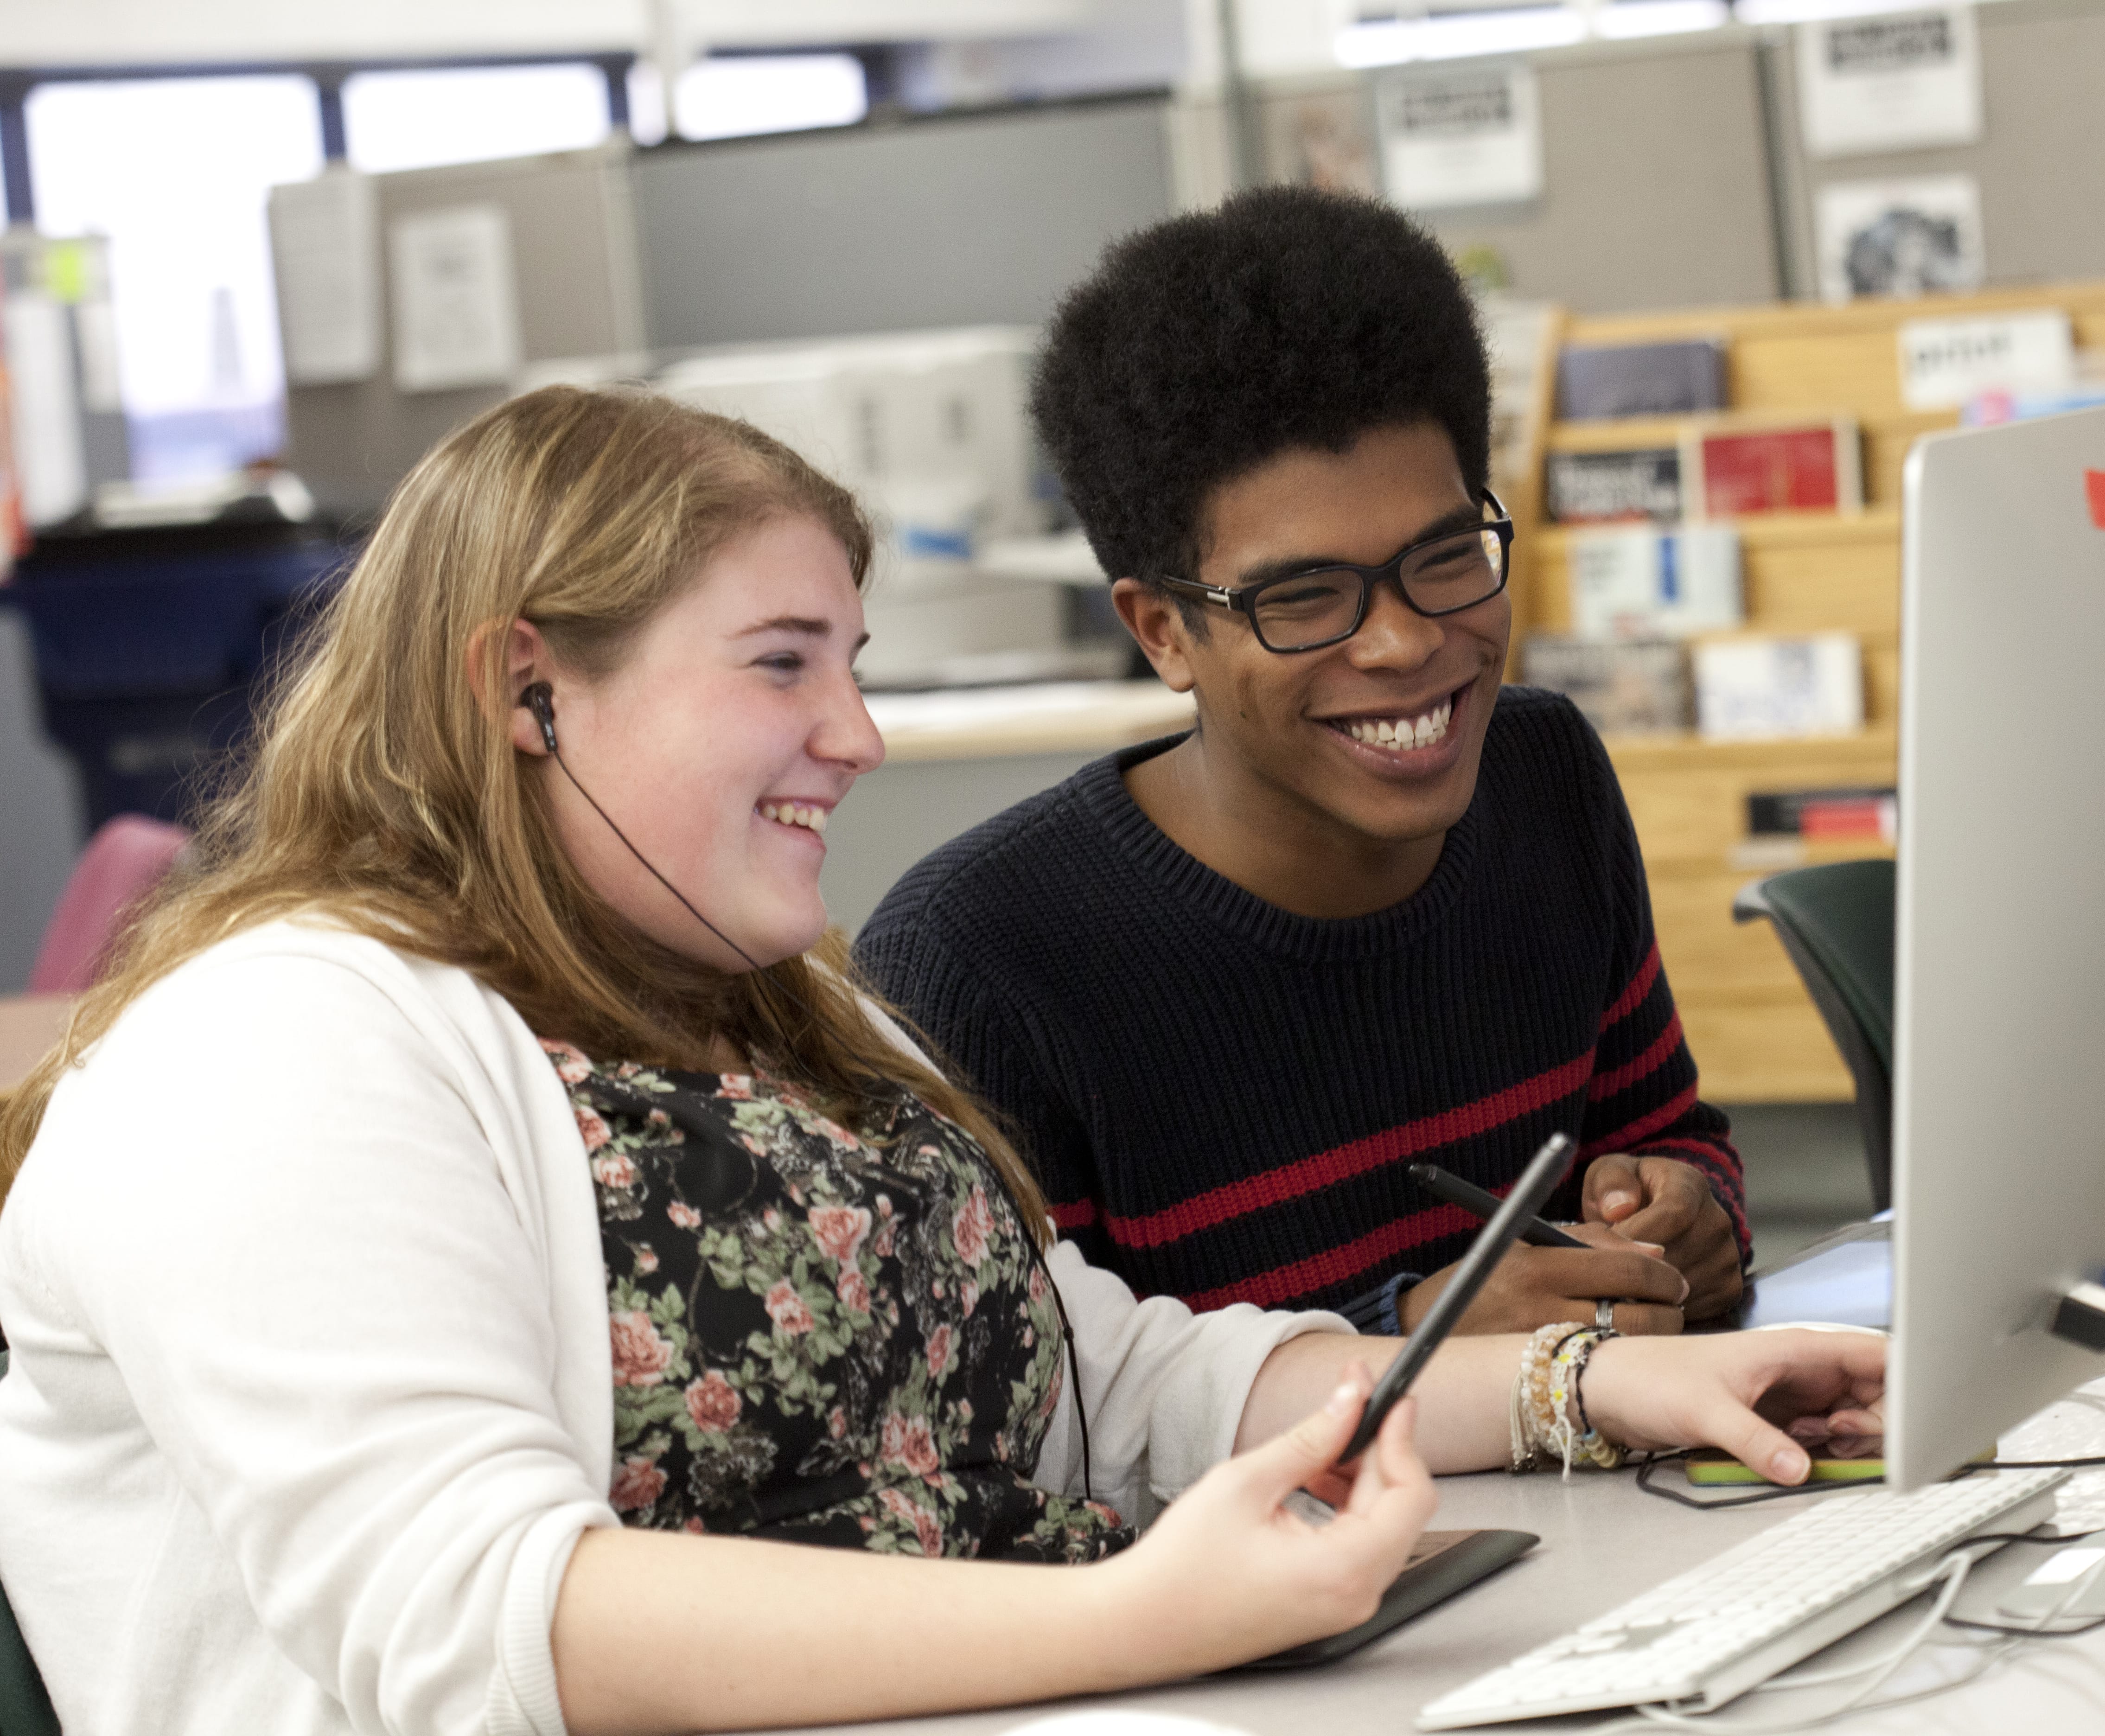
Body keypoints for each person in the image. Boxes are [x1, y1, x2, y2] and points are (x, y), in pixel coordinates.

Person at [0, 385, 1879, 1736]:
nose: (863, 732)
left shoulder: (774, 1005)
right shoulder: (270, 1049)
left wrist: (1590, 1387)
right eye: (783, 664)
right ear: (526, 691)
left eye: (857, 660)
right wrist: (1140, 1621)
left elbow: (1113, 1380)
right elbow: (486, 1628)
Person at [859, 186, 1748, 1340]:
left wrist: (1685, 1218)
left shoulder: (1544, 775)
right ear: (1163, 632)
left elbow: (1672, 1138)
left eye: (1444, 556)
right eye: (1305, 597)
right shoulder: (978, 969)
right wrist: (1411, 1347)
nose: (1408, 641)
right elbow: (1019, 1441)